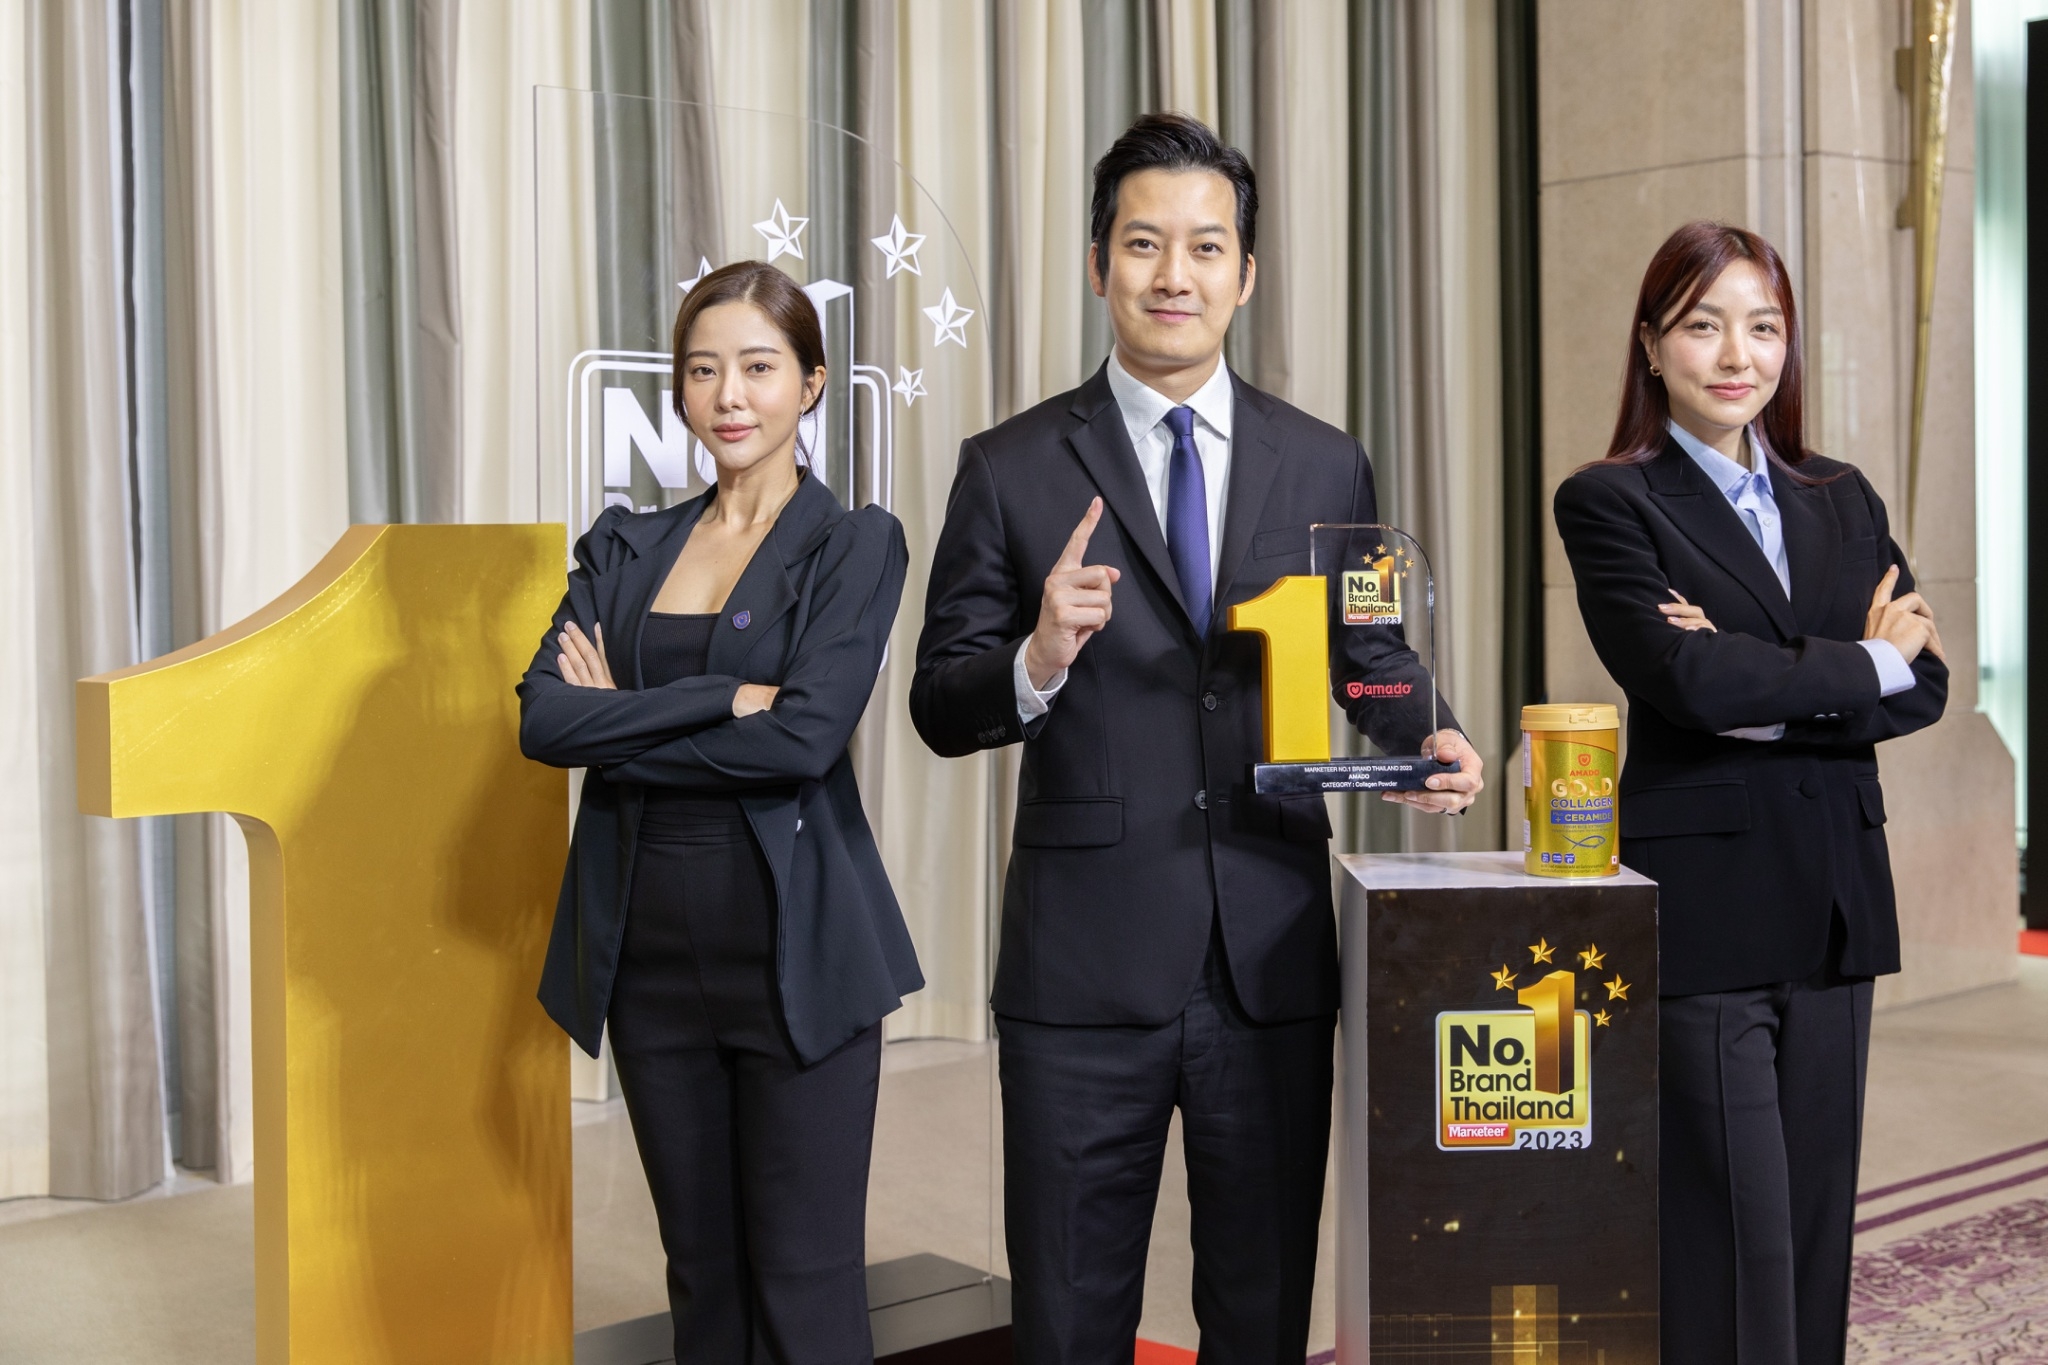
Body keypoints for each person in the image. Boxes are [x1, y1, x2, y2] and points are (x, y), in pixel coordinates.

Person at [909, 113, 1484, 1362]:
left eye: (1205, 247)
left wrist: (1430, 736)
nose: (1174, 274)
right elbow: (939, 702)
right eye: (1143, 244)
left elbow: (1365, 652)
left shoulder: (1323, 463)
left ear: (1245, 273)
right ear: (1097, 264)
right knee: (1068, 1321)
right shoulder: (1009, 467)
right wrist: (1035, 658)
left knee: (1260, 1314)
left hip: (1268, 955)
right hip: (1081, 969)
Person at [1553, 222, 1946, 1365]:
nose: (1737, 355)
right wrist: (1857, 661)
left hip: (1834, 904)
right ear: (1650, 344)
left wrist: (1762, 679)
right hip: (1706, 914)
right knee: (1731, 1242)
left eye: (1762, 326)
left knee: (1817, 1237)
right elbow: (1682, 680)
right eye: (1703, 325)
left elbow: (1922, 684)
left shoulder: (1840, 496)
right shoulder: (1610, 501)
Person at [518, 260, 921, 1364]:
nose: (728, 395)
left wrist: (624, 718)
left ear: (812, 382)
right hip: (647, 958)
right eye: (703, 371)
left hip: (794, 953)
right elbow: (544, 721)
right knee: (701, 1277)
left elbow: (800, 740)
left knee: (802, 1280)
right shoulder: (623, 547)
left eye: (757, 367)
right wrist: (720, 698)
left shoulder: (852, 542)